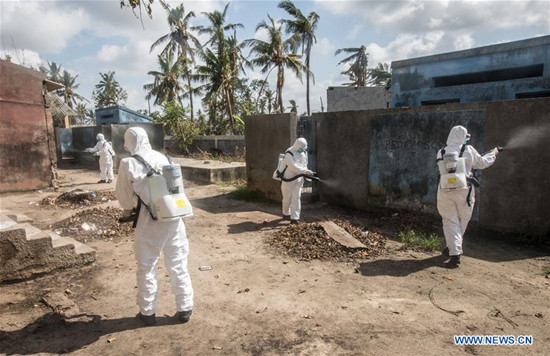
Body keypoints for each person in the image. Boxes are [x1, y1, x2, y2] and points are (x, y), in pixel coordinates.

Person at [115, 127, 193, 326]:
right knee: (178, 264)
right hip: (175, 218)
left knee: (147, 266)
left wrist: (129, 210)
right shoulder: (165, 158)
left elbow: (125, 199)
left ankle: (148, 312)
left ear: (129, 142)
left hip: (149, 220)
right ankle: (185, 308)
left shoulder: (127, 163)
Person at [436, 125, 499, 268]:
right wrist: (493, 153)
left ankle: (452, 248)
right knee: (462, 220)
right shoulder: (468, 150)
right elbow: (482, 163)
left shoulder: (442, 151)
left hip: (445, 189)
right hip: (464, 190)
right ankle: (455, 254)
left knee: (450, 221)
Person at [281, 138, 313, 224]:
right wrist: (304, 171)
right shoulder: (289, 152)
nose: (303, 149)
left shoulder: (304, 153)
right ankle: (286, 213)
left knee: (296, 197)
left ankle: (294, 218)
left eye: (304, 147)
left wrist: (307, 175)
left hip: (299, 179)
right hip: (289, 178)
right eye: (302, 147)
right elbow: (292, 166)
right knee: (287, 198)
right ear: (297, 145)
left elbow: (304, 165)